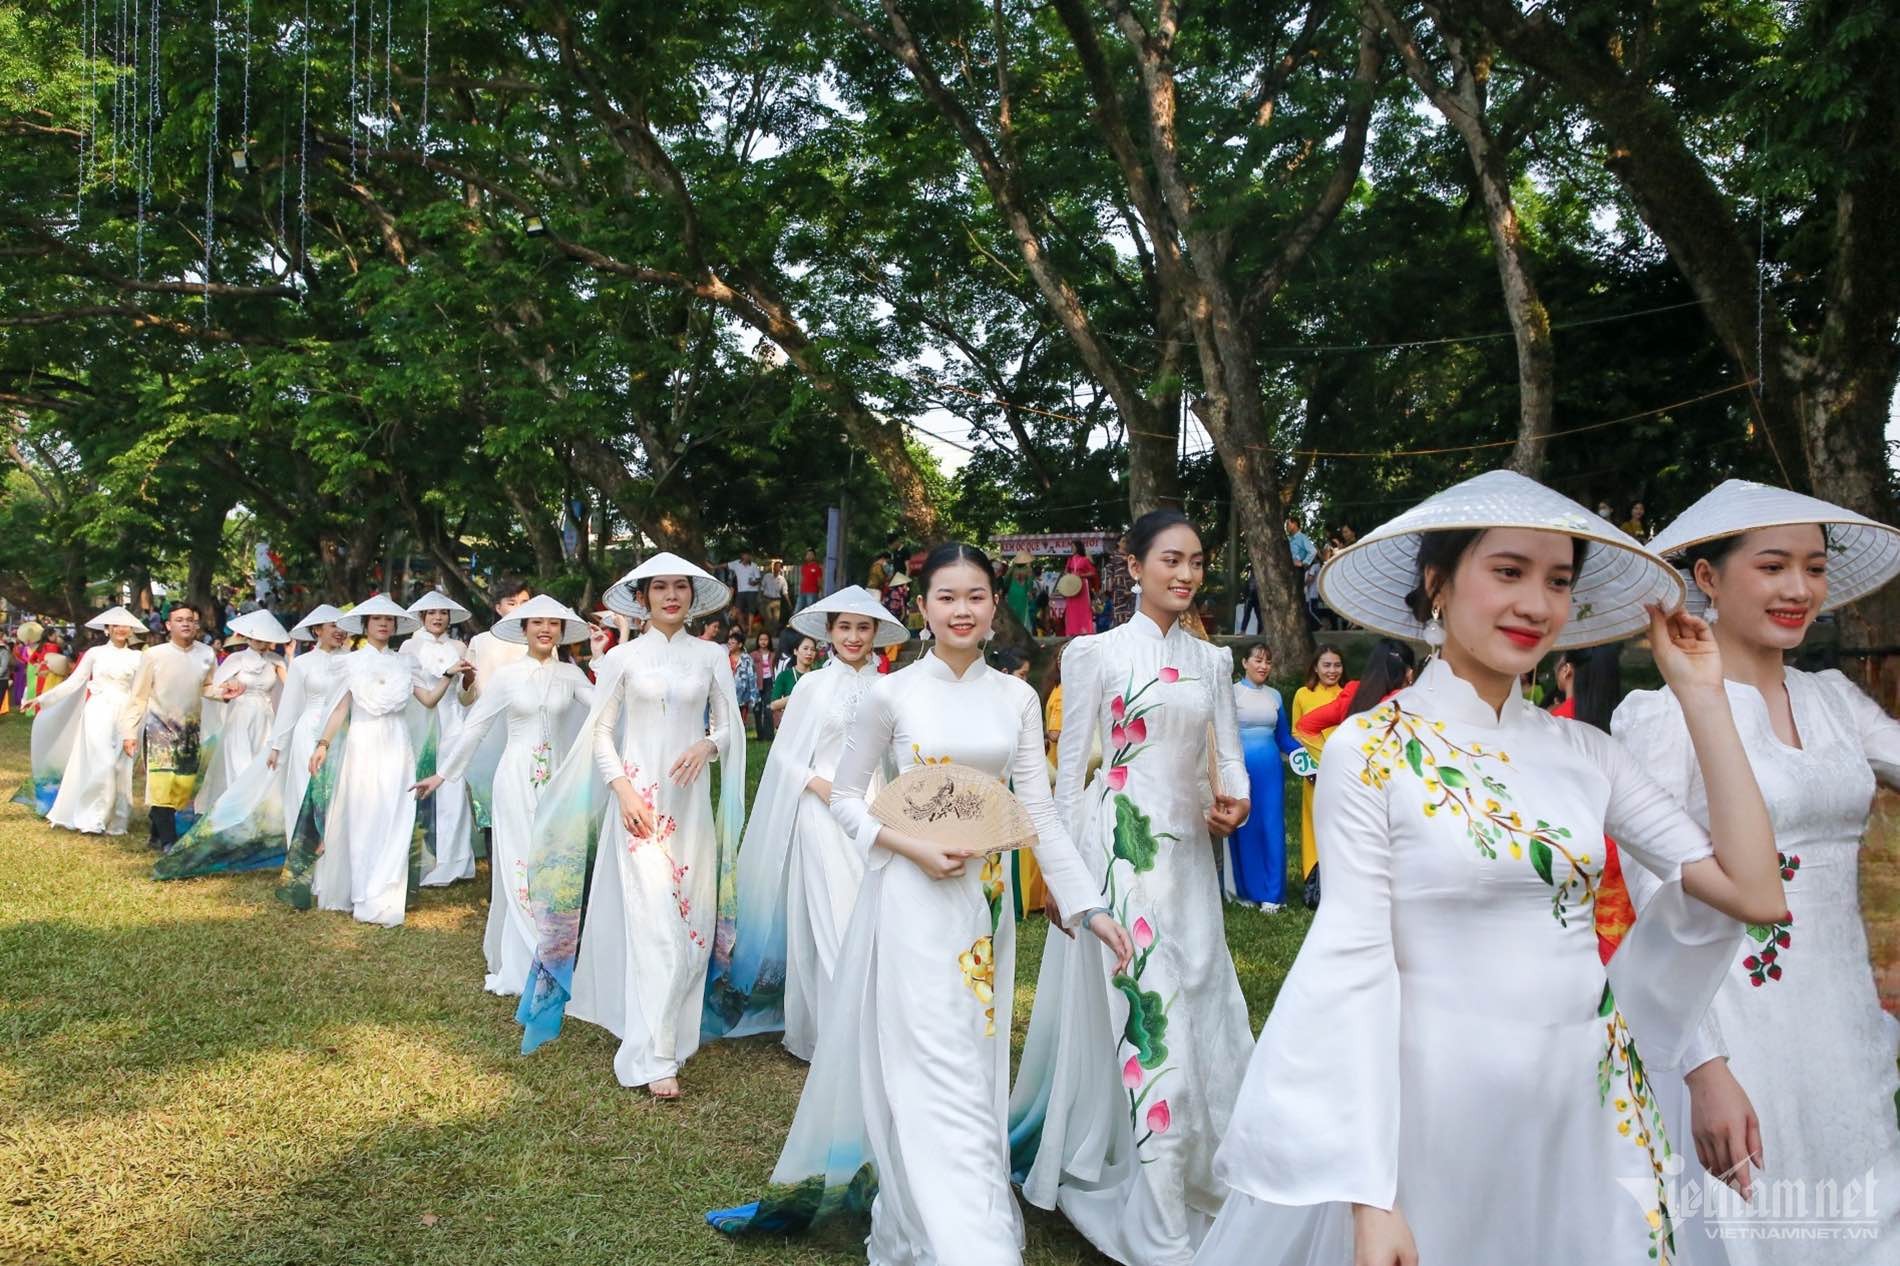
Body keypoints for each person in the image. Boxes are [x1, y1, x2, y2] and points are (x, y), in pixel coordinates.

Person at [1199, 469, 1785, 1266]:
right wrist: (1373, 1196)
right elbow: (1351, 964)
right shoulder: (1372, 751)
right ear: (1437, 584)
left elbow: (1752, 890)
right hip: (1437, 1112)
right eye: (1508, 572)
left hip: (1587, 1103)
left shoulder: (1586, 752)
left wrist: (1704, 698)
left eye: (1558, 582)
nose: (1537, 605)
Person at [708, 542, 1132, 1263]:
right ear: (923, 608)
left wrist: (1086, 903)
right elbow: (845, 796)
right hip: (908, 899)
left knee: (973, 1059)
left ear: (995, 605)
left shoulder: (1017, 698)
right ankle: (954, 1234)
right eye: (946, 597)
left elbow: (1039, 813)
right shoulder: (892, 694)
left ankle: (950, 1214)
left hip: (985, 909)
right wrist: (911, 849)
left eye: (975, 596)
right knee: (925, 1060)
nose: (962, 610)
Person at [1613, 481, 1900, 1265]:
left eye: (1813, 568)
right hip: (1729, 1026)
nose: (1798, 589)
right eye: (1773, 566)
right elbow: (1652, 900)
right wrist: (1704, 1068)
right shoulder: (1662, 714)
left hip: (1843, 1027)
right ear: (1706, 578)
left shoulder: (1836, 699)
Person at [1010, 510, 1251, 1266]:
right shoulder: (1094, 653)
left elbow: (1230, 758)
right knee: (1150, 1011)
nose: (1184, 574)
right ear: (1134, 564)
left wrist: (1233, 799)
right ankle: (1161, 1203)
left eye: (1197, 562)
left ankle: (1215, 1173)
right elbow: (1069, 772)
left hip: (1189, 862)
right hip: (1117, 850)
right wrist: (1063, 874)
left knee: (1208, 999)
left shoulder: (1213, 662)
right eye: (1171, 559)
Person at [516, 553, 744, 1099]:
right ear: (642, 598)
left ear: (693, 596)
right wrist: (622, 790)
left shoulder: (712, 656)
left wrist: (708, 743)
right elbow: (599, 732)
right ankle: (650, 1055)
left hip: (689, 811)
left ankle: (672, 1032)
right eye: (659, 587)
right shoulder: (622, 659)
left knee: (691, 926)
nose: (671, 596)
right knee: (654, 925)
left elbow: (731, 727)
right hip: (638, 806)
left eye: (680, 587)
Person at [703, 586, 908, 1058]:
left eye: (863, 627)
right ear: (829, 632)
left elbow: (899, 756)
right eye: (844, 627)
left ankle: (874, 1021)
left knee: (874, 911)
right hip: (823, 809)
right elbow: (785, 758)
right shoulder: (813, 686)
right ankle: (840, 1033)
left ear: (876, 633)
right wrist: (822, 788)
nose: (853, 637)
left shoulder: (891, 686)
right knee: (832, 913)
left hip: (876, 809)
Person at [416, 596, 594, 996]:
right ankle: (531, 962)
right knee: (519, 866)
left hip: (558, 783)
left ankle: (555, 954)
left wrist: (607, 665)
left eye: (553, 623)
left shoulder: (571, 675)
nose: (545, 630)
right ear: (525, 629)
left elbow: (604, 713)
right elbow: (475, 727)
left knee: (554, 866)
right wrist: (443, 774)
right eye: (537, 623)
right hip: (515, 781)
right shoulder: (507, 677)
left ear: (562, 631)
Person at [288, 595, 465, 926]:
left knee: (398, 814)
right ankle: (364, 893)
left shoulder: (404, 663)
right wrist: (323, 743)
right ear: (365, 626)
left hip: (398, 745)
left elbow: (427, 700)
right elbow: (340, 708)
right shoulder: (350, 663)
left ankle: (388, 895)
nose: (383, 624)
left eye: (389, 620)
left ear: (396, 626)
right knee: (365, 815)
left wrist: (448, 676)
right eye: (376, 619)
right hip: (364, 743)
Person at [19, 606, 145, 832]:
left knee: (120, 766)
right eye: (115, 625)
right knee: (102, 762)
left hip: (126, 712)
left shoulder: (138, 657)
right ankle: (94, 818)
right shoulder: (95, 654)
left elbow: (142, 690)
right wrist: (42, 698)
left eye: (125, 625)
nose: (120, 629)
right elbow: (74, 682)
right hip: (98, 710)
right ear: (107, 629)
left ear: (131, 629)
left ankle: (116, 819)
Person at [118, 605, 216, 852]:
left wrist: (225, 692)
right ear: (168, 626)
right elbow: (138, 696)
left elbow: (208, 686)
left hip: (190, 730)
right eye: (179, 620)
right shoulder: (154, 655)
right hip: (159, 728)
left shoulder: (206, 654)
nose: (186, 624)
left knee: (182, 786)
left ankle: (155, 829)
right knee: (162, 783)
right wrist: (129, 732)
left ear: (196, 625)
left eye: (190, 620)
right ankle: (169, 842)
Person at [402, 591, 478, 886]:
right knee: (421, 789)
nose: (438, 617)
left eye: (443, 613)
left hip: (454, 721)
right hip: (423, 720)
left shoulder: (459, 646)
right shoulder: (410, 646)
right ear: (422, 616)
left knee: (454, 791)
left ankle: (456, 862)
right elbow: (413, 688)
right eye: (432, 612)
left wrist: (469, 680)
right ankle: (423, 858)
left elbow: (465, 696)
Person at [1225, 644, 1306, 911]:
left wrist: (1307, 758)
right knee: (1244, 827)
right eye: (1258, 661)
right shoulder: (1231, 694)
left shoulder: (1275, 696)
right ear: (1244, 663)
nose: (1263, 666)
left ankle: (1273, 893)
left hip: (1271, 770)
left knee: (1271, 826)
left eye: (1268, 662)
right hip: (1240, 769)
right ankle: (1246, 890)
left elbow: (1283, 738)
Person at [192, 609, 291, 822]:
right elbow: (214, 687)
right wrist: (229, 689)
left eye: (265, 638)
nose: (261, 642)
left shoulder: (276, 661)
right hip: (240, 715)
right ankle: (237, 813)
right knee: (240, 764)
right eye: (256, 637)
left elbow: (292, 689)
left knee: (262, 763)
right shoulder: (236, 659)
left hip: (265, 717)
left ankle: (257, 812)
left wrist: (290, 656)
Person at [1290, 646, 1345, 884]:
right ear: (1315, 667)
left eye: (1337, 665)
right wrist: (1311, 769)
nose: (1332, 670)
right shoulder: (1303, 694)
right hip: (1314, 772)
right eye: (1327, 665)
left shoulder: (1349, 695)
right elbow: (1296, 733)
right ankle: (1315, 881)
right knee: (1316, 822)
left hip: (1344, 771)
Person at [772, 633, 819, 721]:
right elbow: (773, 705)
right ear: (795, 651)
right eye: (805, 648)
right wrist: (795, 696)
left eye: (813, 650)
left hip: (814, 722)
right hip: (792, 722)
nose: (809, 653)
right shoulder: (784, 676)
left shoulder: (818, 675)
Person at [1061, 541, 1099, 638]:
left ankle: (1085, 631)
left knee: (1083, 609)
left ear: (1078, 547)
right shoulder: (1070, 559)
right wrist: (1068, 575)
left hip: (1082, 586)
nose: (1072, 549)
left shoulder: (1085, 560)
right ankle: (1072, 631)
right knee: (1071, 608)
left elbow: (1093, 573)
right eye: (1071, 547)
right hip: (1072, 586)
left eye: (1073, 547)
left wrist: (1081, 575)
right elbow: (1066, 572)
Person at [748, 631, 778, 741]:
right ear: (758, 641)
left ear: (769, 640)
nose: (763, 642)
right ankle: (760, 736)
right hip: (757, 683)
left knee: (768, 708)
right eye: (761, 639)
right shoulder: (753, 655)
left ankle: (769, 735)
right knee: (757, 709)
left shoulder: (773, 654)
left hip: (770, 682)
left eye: (765, 639)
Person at [760, 559, 787, 632]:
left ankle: (774, 633)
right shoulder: (767, 576)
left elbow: (785, 592)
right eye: (775, 566)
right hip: (767, 599)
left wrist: (789, 603)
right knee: (768, 618)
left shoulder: (782, 579)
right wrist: (761, 598)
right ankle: (768, 633)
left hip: (777, 600)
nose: (776, 568)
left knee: (776, 619)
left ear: (780, 569)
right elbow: (762, 588)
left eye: (778, 566)